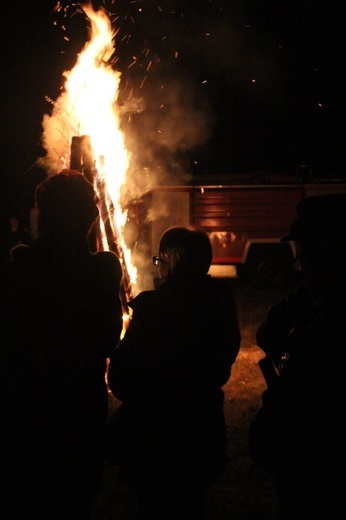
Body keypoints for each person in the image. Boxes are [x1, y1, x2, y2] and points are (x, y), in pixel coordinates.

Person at [0, 170, 123, 519]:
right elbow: (110, 340)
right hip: (78, 418)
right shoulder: (100, 273)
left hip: (23, 419)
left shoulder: (14, 276)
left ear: (43, 214)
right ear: (90, 217)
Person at [107, 226, 241, 520]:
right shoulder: (220, 302)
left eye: (159, 260)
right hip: (202, 433)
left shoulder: (154, 309)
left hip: (156, 441)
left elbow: (121, 378)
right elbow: (222, 362)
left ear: (169, 262)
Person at [249, 193, 346, 519]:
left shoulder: (326, 322)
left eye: (305, 254)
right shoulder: (309, 301)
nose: (301, 264)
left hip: (319, 468)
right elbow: (267, 334)